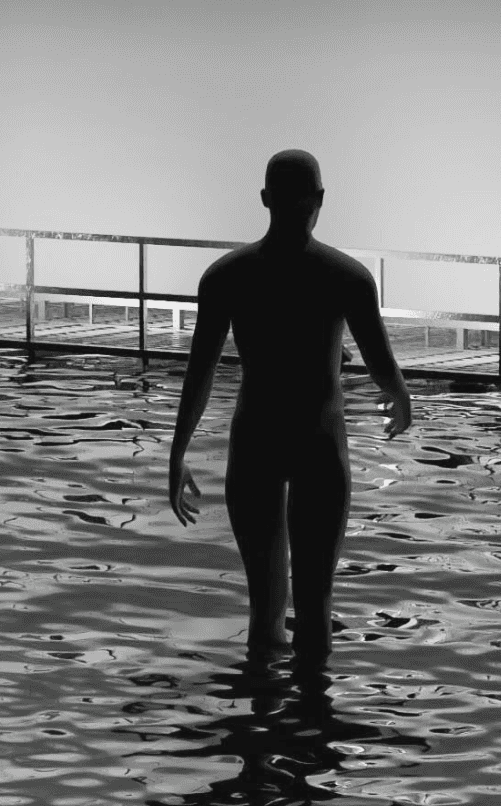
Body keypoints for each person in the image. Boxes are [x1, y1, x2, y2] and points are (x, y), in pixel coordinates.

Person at [164, 149, 414, 655]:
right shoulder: (347, 278)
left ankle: (261, 722)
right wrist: (400, 396)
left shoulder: (225, 277)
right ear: (319, 200)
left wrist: (177, 454)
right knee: (316, 607)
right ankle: (313, 724)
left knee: (265, 610)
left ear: (265, 200)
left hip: (256, 440)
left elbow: (200, 376)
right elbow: (381, 365)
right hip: (318, 443)